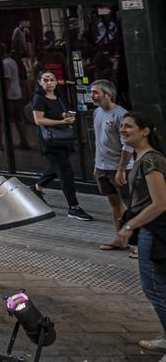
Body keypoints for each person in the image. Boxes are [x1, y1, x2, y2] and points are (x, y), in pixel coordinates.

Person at [116, 113, 166, 355]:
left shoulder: (150, 161)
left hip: (156, 230)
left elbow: (160, 203)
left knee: (154, 287)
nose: (123, 130)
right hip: (151, 229)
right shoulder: (140, 158)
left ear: (145, 131)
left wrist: (130, 226)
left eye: (128, 126)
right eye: (121, 127)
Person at [31, 70, 92, 221]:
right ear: (40, 82)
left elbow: (60, 113)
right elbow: (39, 120)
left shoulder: (58, 97)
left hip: (62, 139)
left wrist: (67, 116)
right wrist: (62, 122)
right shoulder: (39, 98)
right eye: (45, 80)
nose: (49, 82)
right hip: (50, 141)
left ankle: (37, 187)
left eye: (52, 79)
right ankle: (73, 207)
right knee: (66, 173)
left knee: (56, 168)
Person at [90, 79, 132, 250]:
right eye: (92, 92)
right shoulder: (97, 113)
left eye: (95, 92)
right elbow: (98, 140)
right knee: (114, 204)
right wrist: (96, 165)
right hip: (103, 167)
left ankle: (140, 244)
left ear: (108, 95)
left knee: (132, 205)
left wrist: (121, 169)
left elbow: (128, 144)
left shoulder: (122, 115)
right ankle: (120, 239)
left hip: (120, 169)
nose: (92, 96)